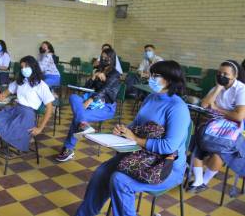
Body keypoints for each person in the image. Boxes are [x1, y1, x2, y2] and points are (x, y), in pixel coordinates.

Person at [75, 61, 190, 216]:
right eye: (151, 74)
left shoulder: (178, 108)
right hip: (140, 155)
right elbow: (136, 124)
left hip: (165, 166)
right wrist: (123, 130)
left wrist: (135, 139)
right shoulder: (151, 98)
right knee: (102, 172)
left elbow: (169, 146)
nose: (151, 78)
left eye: (156, 76)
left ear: (169, 79)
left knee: (119, 180)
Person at [0, 56, 55, 176]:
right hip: (15, 110)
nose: (24, 69)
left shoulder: (41, 85)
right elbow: (7, 92)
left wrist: (40, 128)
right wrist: (2, 95)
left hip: (27, 116)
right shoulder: (20, 81)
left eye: (26, 66)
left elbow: (50, 108)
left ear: (33, 67)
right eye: (22, 67)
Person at [187, 60, 245, 193]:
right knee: (198, 142)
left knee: (220, 152)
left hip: (232, 128)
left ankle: (204, 180)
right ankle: (198, 181)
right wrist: (218, 87)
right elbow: (204, 105)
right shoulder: (217, 87)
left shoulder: (241, 89)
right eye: (219, 73)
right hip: (213, 125)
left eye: (225, 74)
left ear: (234, 76)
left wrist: (217, 109)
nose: (221, 76)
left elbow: (239, 116)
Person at [56, 48, 120, 162]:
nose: (104, 59)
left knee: (78, 118)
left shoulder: (115, 74)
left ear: (112, 59)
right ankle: (84, 125)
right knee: (73, 97)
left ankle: (68, 149)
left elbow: (105, 90)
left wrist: (90, 99)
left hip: (106, 106)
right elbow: (87, 88)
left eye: (107, 58)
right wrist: (93, 77)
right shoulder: (98, 70)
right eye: (102, 57)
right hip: (92, 101)